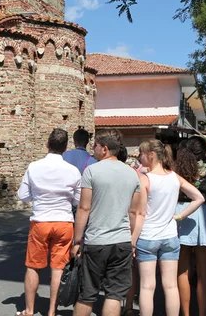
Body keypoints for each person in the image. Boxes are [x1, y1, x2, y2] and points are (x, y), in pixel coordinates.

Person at [70, 129, 141, 316]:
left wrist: (77, 240)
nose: (92, 149)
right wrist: (132, 240)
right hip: (122, 241)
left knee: (87, 294)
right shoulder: (132, 174)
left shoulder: (91, 171)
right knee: (114, 295)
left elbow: (84, 208)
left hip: (96, 241)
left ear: (105, 149)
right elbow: (134, 211)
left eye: (95, 146)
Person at [132, 139, 205, 316]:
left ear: (151, 155)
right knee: (171, 285)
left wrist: (132, 241)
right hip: (170, 236)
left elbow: (140, 214)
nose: (139, 156)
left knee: (147, 286)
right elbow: (199, 198)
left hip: (148, 236)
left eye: (141, 153)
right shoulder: (174, 177)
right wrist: (180, 216)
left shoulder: (145, 179)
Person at [17, 128, 82, 316]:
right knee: (58, 267)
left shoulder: (34, 167)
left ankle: (29, 310)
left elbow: (23, 196)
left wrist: (38, 196)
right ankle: (52, 311)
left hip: (40, 221)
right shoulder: (73, 171)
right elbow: (78, 201)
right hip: (64, 222)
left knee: (33, 266)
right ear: (65, 147)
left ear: (47, 144)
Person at [174, 136, 206, 316]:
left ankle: (185, 313)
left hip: (180, 216)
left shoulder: (178, 170)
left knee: (182, 271)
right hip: (203, 215)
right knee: (203, 274)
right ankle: (203, 313)